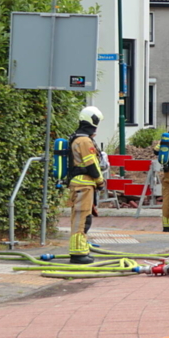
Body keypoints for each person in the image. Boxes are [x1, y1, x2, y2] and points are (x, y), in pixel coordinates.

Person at [68, 106, 105, 264]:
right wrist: (100, 181)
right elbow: (92, 165)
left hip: (83, 183)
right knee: (81, 218)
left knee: (85, 218)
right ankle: (77, 253)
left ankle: (81, 249)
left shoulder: (79, 137)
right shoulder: (84, 140)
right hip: (84, 184)